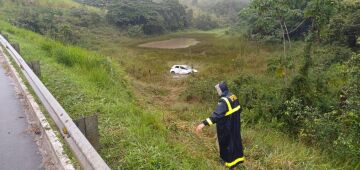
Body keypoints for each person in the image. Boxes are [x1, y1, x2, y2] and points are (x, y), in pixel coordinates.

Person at [196, 81, 245, 169]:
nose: (217, 92)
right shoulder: (233, 96)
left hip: (226, 128)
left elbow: (216, 116)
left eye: (218, 90)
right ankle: (235, 163)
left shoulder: (223, 101)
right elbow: (239, 109)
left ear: (221, 90)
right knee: (235, 143)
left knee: (225, 144)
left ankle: (228, 164)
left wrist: (203, 124)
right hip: (235, 126)